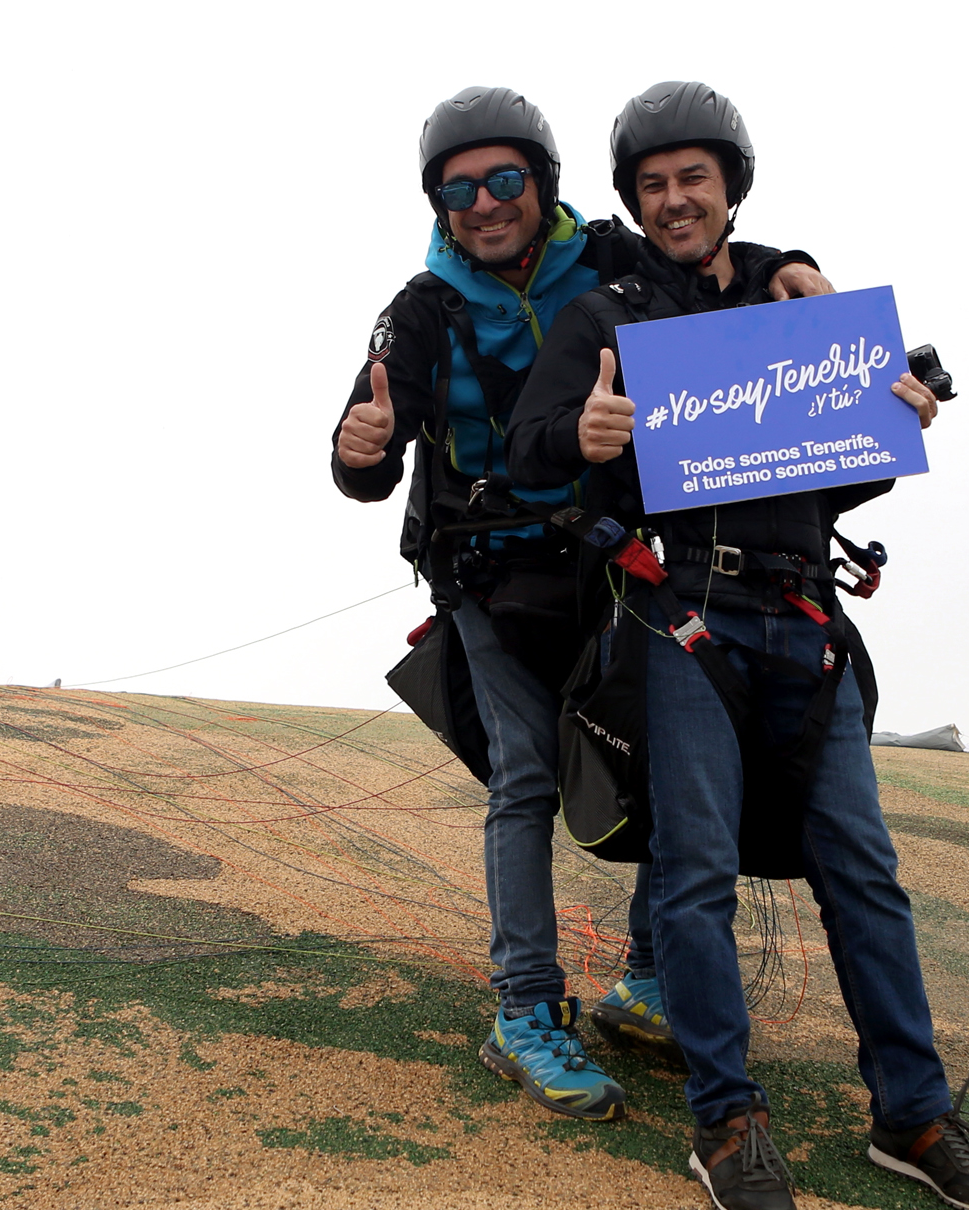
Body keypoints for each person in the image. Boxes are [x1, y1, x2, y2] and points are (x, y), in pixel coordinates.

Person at [508, 79, 969, 1210]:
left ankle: (914, 1112)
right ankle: (724, 1117)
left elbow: (835, 471)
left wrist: (898, 414)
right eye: (652, 184)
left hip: (807, 615)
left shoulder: (803, 309)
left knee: (864, 870)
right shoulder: (609, 311)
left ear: (731, 185)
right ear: (634, 202)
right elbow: (535, 440)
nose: (675, 198)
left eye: (694, 177)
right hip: (681, 609)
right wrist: (577, 438)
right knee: (694, 875)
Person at [330, 86, 829, 1124]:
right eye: (459, 188)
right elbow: (372, 438)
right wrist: (356, 451)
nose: (484, 202)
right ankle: (521, 1006)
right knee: (525, 780)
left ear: (541, 183)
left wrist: (786, 260)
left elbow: (705, 259)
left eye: (504, 178)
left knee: (669, 758)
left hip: (617, 562)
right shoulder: (423, 307)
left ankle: (650, 978)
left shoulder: (606, 258)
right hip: (488, 572)